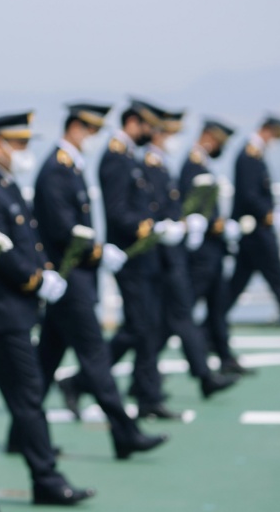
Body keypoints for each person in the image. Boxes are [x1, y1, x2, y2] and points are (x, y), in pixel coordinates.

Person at [0, 111, 93, 506]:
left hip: (6, 313)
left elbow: (26, 240)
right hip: (1, 314)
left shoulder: (4, 183)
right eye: (20, 144)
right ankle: (46, 480)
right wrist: (35, 280)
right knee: (28, 399)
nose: (26, 152)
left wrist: (45, 268)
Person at [13, 103, 166, 460]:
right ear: (77, 128)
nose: (96, 139)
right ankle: (124, 434)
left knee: (45, 362)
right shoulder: (56, 171)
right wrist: (99, 252)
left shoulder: (70, 167)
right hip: (70, 283)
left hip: (73, 281)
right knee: (96, 360)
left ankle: (19, 436)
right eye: (92, 131)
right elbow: (64, 231)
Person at [97, 100, 184, 420]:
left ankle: (144, 394)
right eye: (148, 126)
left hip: (144, 256)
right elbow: (118, 210)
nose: (152, 133)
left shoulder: (128, 156)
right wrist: (149, 227)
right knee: (140, 328)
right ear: (134, 122)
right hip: (130, 257)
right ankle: (87, 381)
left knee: (146, 327)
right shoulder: (116, 157)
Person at [144, 110, 237, 398]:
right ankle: (202, 375)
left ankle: (206, 370)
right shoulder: (174, 165)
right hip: (176, 256)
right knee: (172, 319)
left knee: (176, 317)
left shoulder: (167, 164)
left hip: (181, 254)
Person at [179, 119, 247, 374]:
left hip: (213, 250)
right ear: (208, 137)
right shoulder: (192, 165)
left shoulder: (202, 163)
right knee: (182, 311)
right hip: (201, 252)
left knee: (218, 307)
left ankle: (225, 357)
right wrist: (212, 225)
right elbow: (191, 206)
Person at [223, 115, 280, 338]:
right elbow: (250, 195)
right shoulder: (250, 155)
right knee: (279, 283)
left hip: (253, 234)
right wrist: (270, 214)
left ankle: (209, 329)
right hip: (258, 233)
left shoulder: (254, 154)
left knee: (236, 287)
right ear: (267, 130)